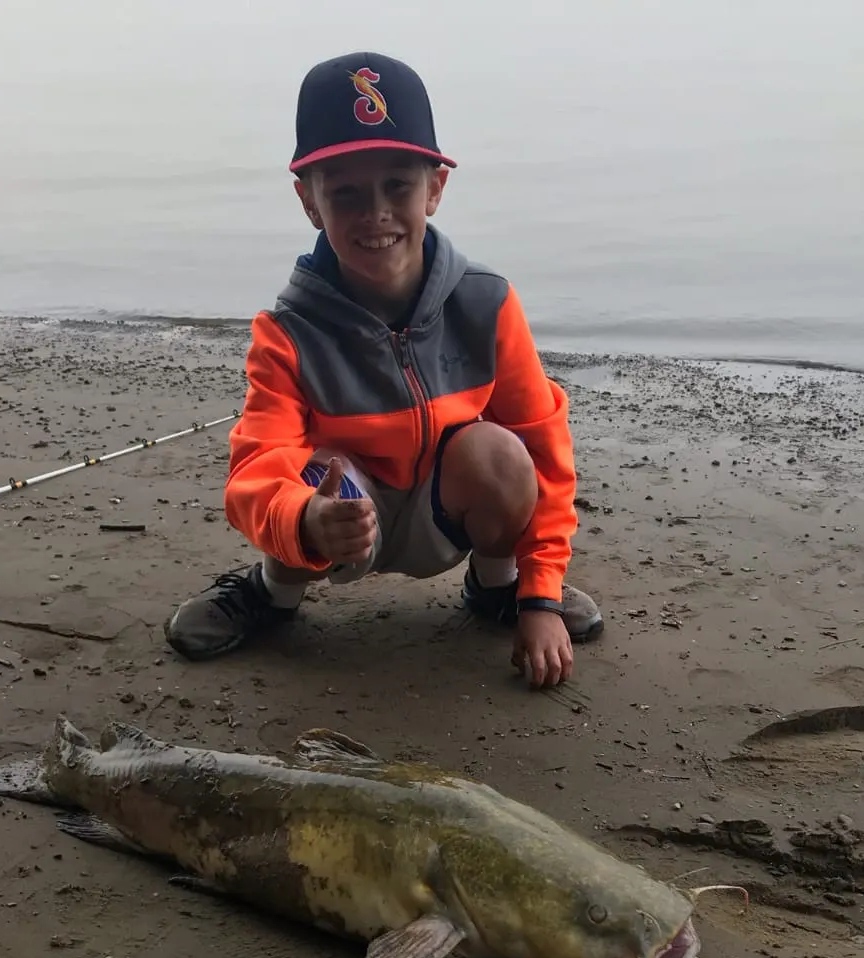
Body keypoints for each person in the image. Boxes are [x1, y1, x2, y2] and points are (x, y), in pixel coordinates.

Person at [163, 51, 604, 689]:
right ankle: (272, 593)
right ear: (309, 202)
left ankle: (499, 589)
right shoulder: (284, 334)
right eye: (345, 193)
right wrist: (306, 520)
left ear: (435, 186)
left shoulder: (488, 303)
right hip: (342, 520)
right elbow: (253, 472)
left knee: (503, 452)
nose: (376, 213)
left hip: (444, 511)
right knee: (307, 474)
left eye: (397, 185)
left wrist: (542, 595)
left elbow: (547, 455)